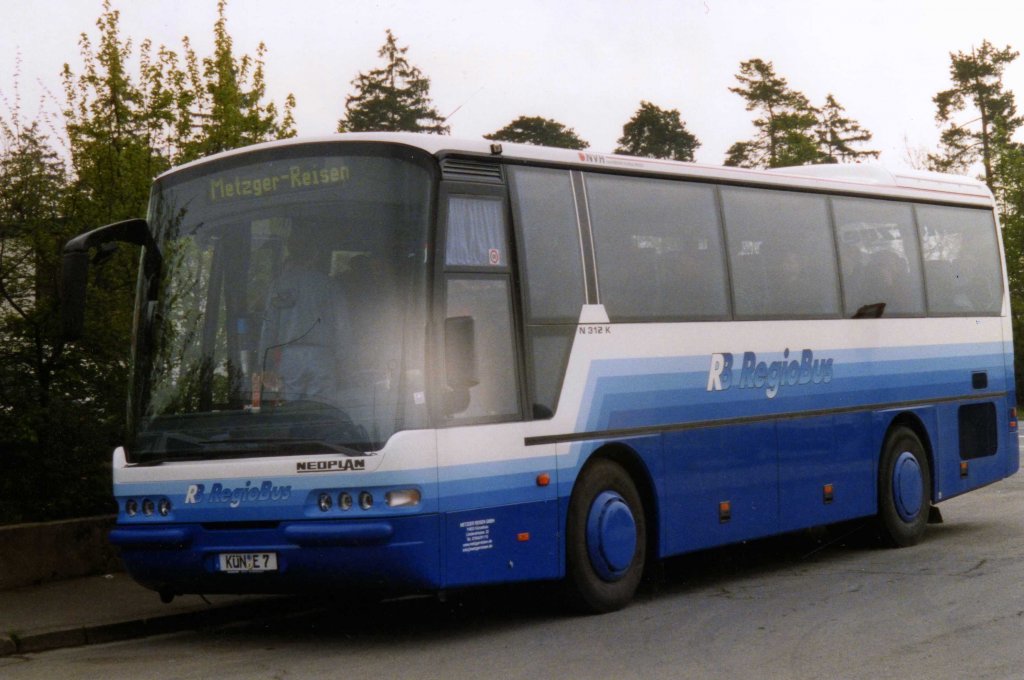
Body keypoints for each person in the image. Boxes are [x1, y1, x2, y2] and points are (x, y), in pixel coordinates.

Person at [259, 227, 351, 403]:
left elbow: (268, 327)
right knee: (321, 412)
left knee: (291, 412)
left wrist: (265, 364)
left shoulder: (279, 285)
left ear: (291, 251)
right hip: (323, 358)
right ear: (315, 254)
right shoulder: (329, 285)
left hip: (290, 358)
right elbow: (343, 328)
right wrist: (345, 362)